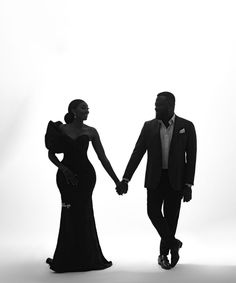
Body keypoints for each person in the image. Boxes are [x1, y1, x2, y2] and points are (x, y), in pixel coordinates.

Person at [116, 92, 197, 270]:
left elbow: (191, 158)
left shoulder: (187, 126)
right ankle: (173, 243)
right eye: (155, 104)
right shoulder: (149, 126)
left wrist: (188, 184)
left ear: (170, 106)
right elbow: (137, 153)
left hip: (176, 180)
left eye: (159, 105)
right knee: (153, 212)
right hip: (155, 178)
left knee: (171, 218)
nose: (155, 108)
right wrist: (125, 178)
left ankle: (164, 254)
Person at [45, 99, 119, 272]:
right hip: (65, 177)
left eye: (88, 108)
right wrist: (64, 169)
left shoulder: (91, 131)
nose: (87, 110)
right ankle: (66, 259)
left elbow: (103, 158)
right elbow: (51, 154)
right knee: (68, 212)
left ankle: (88, 258)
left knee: (84, 212)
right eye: (83, 107)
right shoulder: (61, 129)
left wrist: (116, 181)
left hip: (86, 177)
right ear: (73, 110)